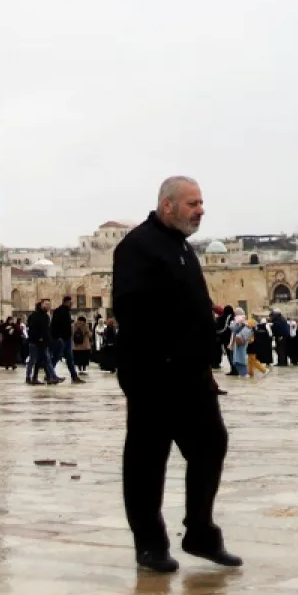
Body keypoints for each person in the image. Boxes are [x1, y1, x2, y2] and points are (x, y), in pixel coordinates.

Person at [112, 176, 240, 573]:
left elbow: (194, 310)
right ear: (167, 205)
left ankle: (200, 533)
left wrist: (204, 365)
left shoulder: (182, 248)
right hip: (154, 376)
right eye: (192, 203)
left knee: (211, 444)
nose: (200, 210)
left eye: (201, 203)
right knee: (148, 462)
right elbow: (134, 313)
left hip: (191, 376)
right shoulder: (136, 247)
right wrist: (159, 363)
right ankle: (149, 545)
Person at [51, 296, 84, 384]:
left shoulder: (66, 312)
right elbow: (54, 326)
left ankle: (74, 376)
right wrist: (58, 337)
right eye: (70, 303)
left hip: (67, 339)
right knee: (57, 357)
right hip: (61, 339)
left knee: (69, 358)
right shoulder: (59, 311)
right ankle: (49, 374)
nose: (71, 305)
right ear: (66, 302)